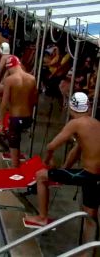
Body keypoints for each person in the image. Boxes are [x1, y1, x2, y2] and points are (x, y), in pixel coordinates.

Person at [24, 92, 99, 254]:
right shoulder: (96, 123)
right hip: (95, 177)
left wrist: (47, 161)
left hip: (89, 175)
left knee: (41, 175)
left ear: (71, 107)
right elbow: (77, 150)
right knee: (90, 215)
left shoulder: (76, 123)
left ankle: (42, 217)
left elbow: (51, 146)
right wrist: (64, 169)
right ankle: (88, 252)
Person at [0, 56, 37, 168]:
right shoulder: (32, 78)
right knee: (18, 136)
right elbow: (35, 100)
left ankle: (15, 170)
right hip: (28, 119)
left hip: (15, 120)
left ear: (10, 67)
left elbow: (4, 103)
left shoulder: (9, 80)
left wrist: (1, 123)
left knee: (13, 141)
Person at [0, 42, 11, 118]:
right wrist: (1, 82)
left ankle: (0, 113)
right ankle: (6, 109)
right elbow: (8, 71)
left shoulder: (4, 58)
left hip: (14, 82)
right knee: (2, 88)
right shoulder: (12, 56)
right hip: (19, 81)